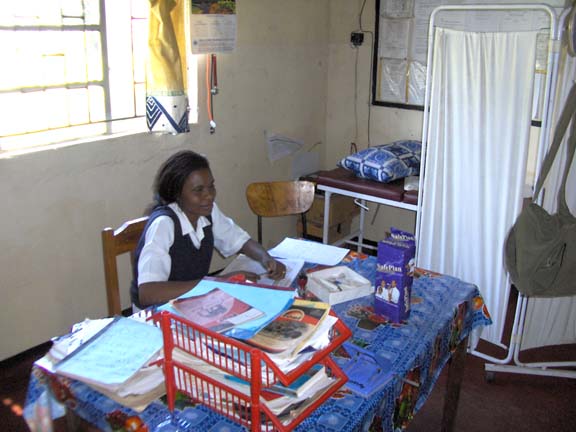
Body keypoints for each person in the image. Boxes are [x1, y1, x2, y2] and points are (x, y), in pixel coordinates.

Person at [130, 150, 286, 309]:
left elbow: (239, 241)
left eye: (211, 186)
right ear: (177, 194)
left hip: (191, 302)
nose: (209, 195)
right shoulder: (164, 225)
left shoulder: (207, 211)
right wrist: (219, 282)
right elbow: (148, 293)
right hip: (157, 314)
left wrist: (266, 258)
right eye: (198, 190)